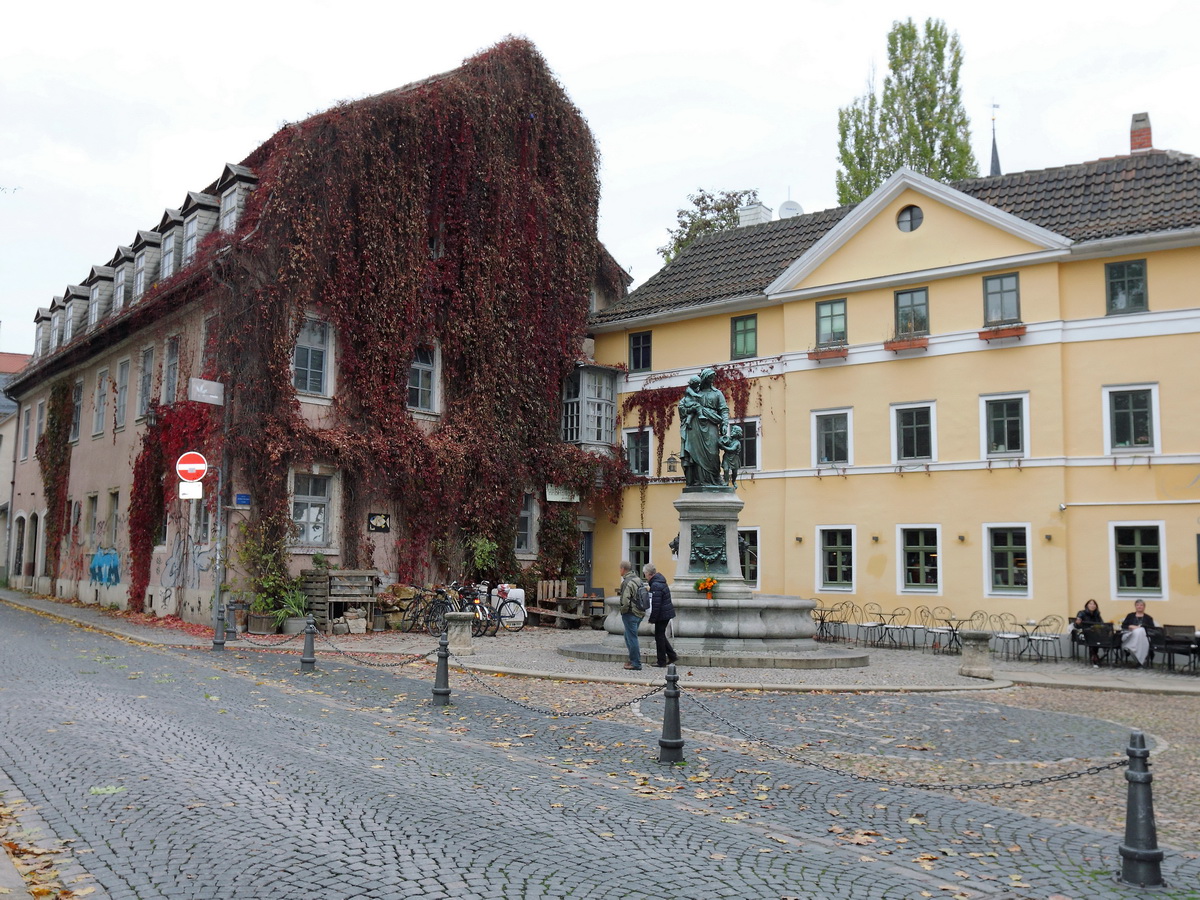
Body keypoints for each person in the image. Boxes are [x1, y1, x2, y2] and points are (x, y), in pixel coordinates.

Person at [679, 367, 730, 486]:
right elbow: (683, 406)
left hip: (711, 424)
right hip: (696, 426)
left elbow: (724, 409)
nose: (712, 380)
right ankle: (698, 480)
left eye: (713, 378)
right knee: (695, 452)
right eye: (710, 378)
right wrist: (691, 408)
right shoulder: (696, 393)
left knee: (713, 452)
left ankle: (715, 478)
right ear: (704, 378)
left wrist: (725, 423)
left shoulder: (717, 393)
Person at [643, 563, 677, 668]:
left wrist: (652, 618)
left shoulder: (655, 585)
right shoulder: (659, 581)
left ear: (649, 574)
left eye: (645, 574)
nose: (644, 576)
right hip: (666, 613)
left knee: (659, 637)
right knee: (660, 635)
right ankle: (672, 656)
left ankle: (661, 661)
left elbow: (656, 604)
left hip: (662, 614)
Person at [618, 560, 644, 670]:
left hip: (630, 613)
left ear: (623, 569)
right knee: (628, 636)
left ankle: (636, 663)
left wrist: (623, 611)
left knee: (632, 637)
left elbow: (625, 600)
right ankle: (632, 659)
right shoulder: (638, 579)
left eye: (620, 569)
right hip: (640, 612)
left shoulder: (626, 582)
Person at [1120, 599, 1156, 668]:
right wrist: (1131, 626)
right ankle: (1136, 653)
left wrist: (1139, 629)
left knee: (1140, 631)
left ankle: (1131, 648)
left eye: (1141, 605)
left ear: (1144, 607)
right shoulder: (1130, 615)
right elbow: (1123, 626)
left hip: (1143, 637)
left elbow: (1152, 629)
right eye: (1137, 605)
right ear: (1135, 606)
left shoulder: (1148, 618)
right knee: (1138, 631)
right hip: (1130, 635)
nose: (1139, 607)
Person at [1072, 599, 1105, 666]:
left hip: (1096, 633)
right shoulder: (1081, 613)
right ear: (1087, 605)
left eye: (1094, 604)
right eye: (1090, 604)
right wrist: (1078, 622)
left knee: (1105, 636)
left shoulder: (1097, 614)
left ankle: (1096, 655)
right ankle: (1094, 657)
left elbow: (1102, 624)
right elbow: (1077, 622)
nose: (1092, 605)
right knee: (1094, 638)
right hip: (1085, 633)